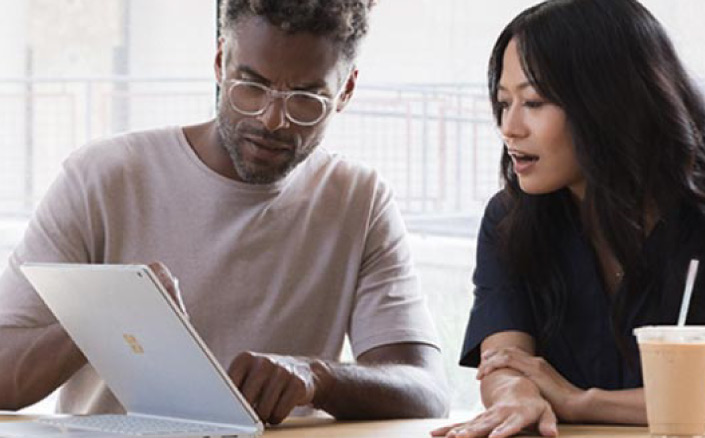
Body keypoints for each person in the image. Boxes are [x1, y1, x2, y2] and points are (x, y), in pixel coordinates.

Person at [0, 0, 449, 425]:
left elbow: (426, 390)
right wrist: (104, 315)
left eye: (306, 98)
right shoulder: (102, 177)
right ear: (220, 63)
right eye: (251, 86)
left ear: (346, 90)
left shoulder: (360, 199)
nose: (273, 119)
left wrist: (318, 378)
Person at [432, 0, 705, 437]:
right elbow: (505, 360)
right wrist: (516, 393)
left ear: (609, 103)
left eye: (534, 101)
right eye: (503, 102)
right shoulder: (508, 219)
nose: (509, 127)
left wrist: (581, 403)